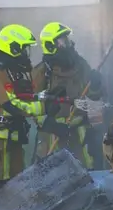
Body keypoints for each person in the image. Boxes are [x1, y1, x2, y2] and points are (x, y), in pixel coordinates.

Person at [0, 24, 52, 197]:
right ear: (13, 48)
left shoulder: (12, 72)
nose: (26, 54)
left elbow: (26, 97)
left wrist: (47, 100)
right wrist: (43, 108)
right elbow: (10, 105)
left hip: (13, 136)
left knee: (16, 185)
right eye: (24, 49)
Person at [31, 22, 104, 169]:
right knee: (54, 177)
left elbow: (93, 97)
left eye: (67, 40)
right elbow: (33, 104)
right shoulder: (42, 72)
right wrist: (50, 124)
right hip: (53, 135)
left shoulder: (81, 65)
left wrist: (95, 85)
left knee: (85, 172)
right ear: (50, 46)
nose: (68, 45)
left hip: (79, 132)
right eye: (62, 42)